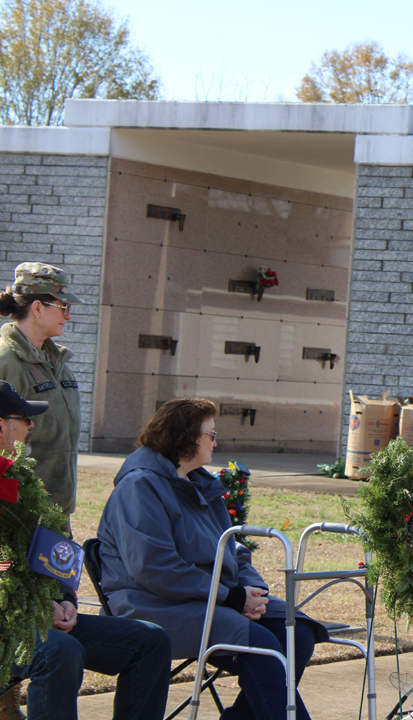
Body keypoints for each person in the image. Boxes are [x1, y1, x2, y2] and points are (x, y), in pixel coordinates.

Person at [96, 398, 329, 720]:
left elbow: (233, 550)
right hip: (155, 604)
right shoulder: (139, 487)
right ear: (184, 439)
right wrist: (233, 599)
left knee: (297, 633)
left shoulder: (200, 483)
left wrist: (253, 594)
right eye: (211, 435)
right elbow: (155, 568)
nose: (216, 443)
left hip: (212, 600)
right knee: (261, 645)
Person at [0, 381, 171, 720]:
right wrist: (30, 608)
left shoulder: (23, 482)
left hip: (37, 615)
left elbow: (56, 550)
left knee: (151, 641)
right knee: (58, 652)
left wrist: (65, 601)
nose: (32, 425)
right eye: (24, 418)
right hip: (10, 622)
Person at [0, 262, 85, 523]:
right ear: (37, 308)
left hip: (56, 514)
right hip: (17, 517)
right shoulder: (5, 360)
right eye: (63, 307)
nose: (68, 316)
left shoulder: (58, 362)